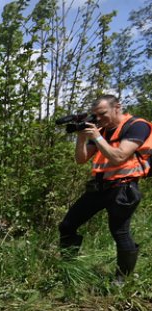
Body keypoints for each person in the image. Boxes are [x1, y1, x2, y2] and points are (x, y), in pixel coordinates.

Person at [59, 94, 151, 283]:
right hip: (99, 188)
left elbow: (119, 156)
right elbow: (81, 159)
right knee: (67, 224)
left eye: (102, 114)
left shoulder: (136, 126)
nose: (99, 119)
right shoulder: (102, 130)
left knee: (120, 232)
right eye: (96, 115)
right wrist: (82, 138)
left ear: (117, 106)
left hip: (124, 189)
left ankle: (121, 280)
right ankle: (69, 270)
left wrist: (98, 136)